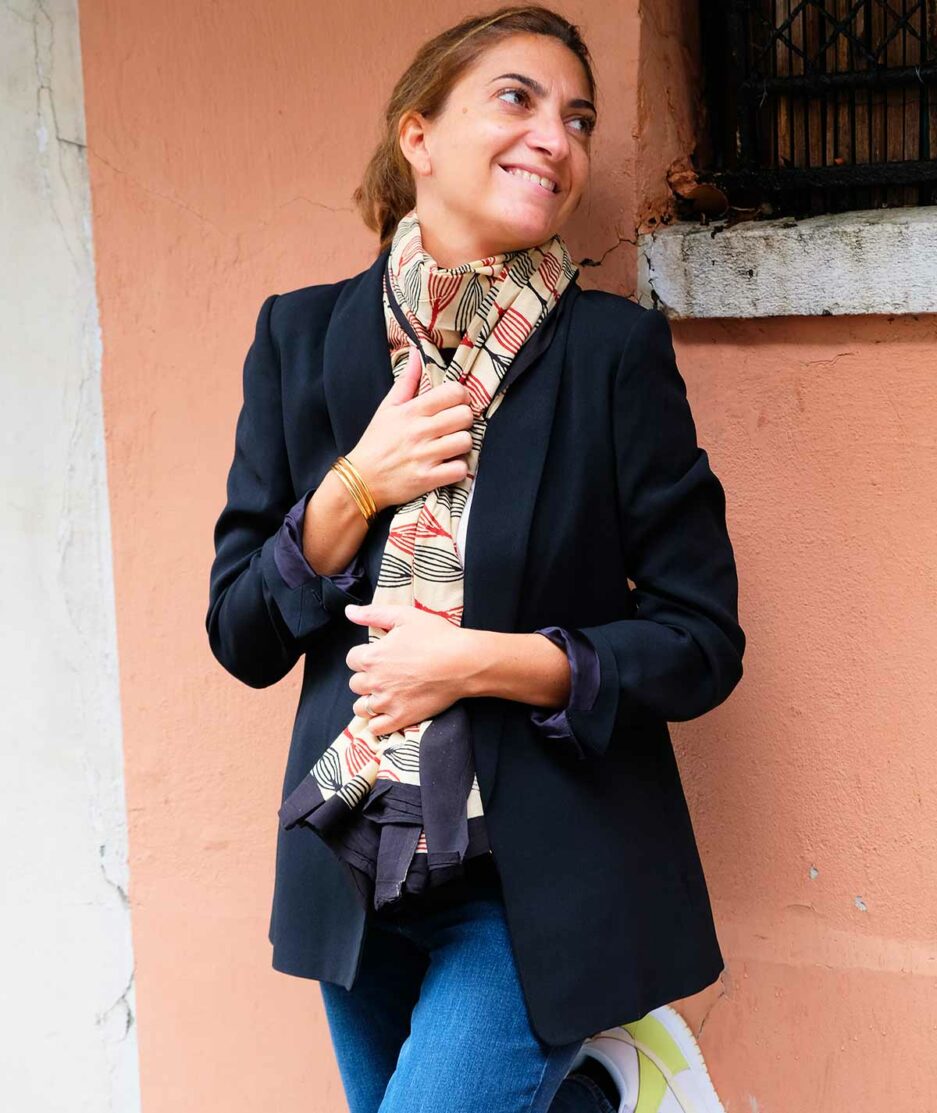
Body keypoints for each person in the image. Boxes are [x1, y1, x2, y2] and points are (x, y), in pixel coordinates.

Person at [206, 6, 745, 1112]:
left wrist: (480, 663)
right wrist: (354, 487)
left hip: (536, 882)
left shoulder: (611, 355)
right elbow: (240, 635)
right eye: (517, 98)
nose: (556, 137)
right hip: (354, 860)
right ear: (417, 134)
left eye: (577, 118)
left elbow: (699, 642)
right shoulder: (301, 340)